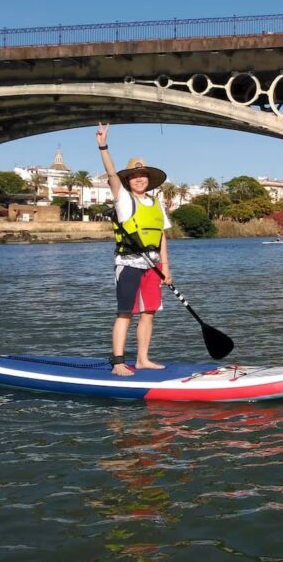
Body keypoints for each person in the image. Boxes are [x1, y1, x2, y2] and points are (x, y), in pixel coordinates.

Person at [96, 123, 172, 376]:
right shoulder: (124, 198)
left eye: (144, 175)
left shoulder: (156, 203)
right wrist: (103, 146)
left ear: (148, 180)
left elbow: (161, 236)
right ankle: (118, 362)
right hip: (128, 263)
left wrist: (166, 268)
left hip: (153, 266)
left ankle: (142, 359)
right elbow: (110, 174)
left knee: (149, 313)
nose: (140, 178)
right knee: (125, 312)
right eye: (135, 175)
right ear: (128, 180)